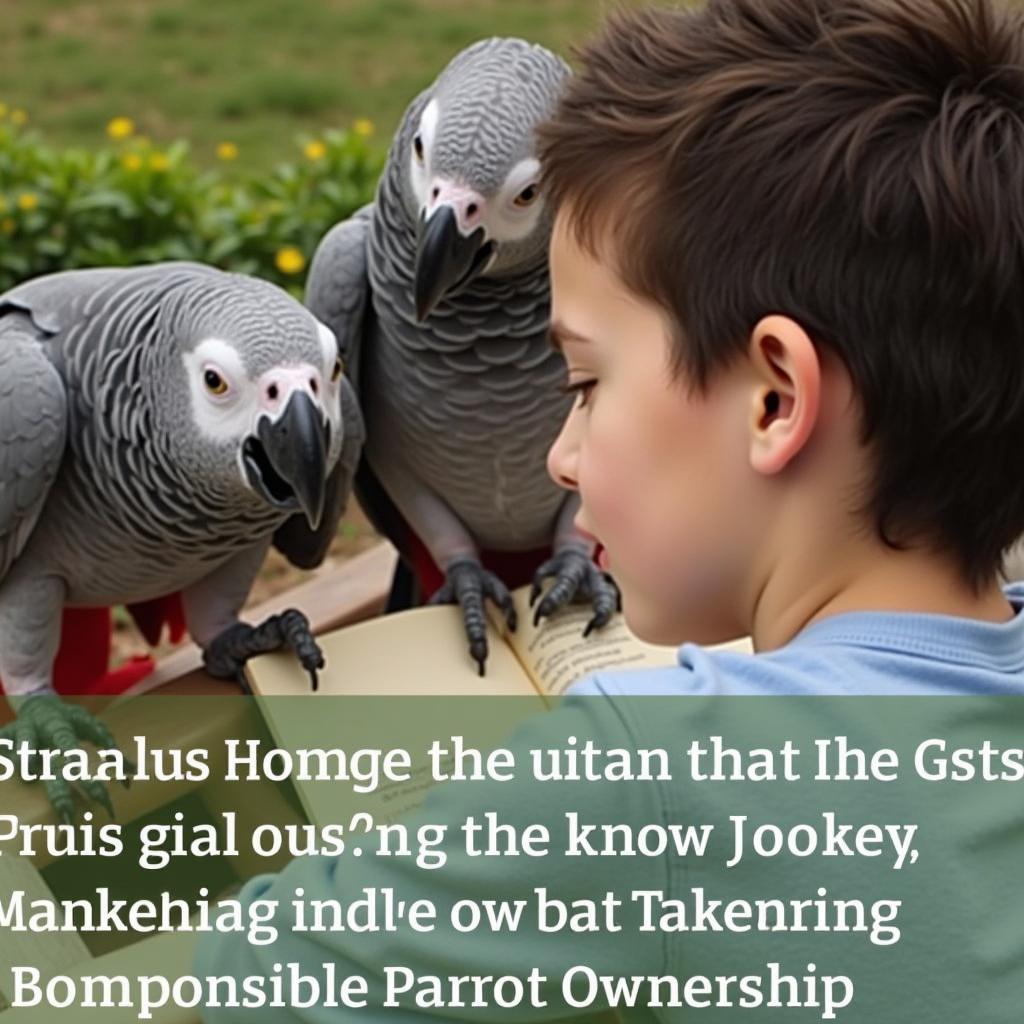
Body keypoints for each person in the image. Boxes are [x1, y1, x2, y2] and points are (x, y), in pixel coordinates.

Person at [198, 1, 1024, 1019]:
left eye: (584, 383)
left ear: (774, 401)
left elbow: (251, 975)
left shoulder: (644, 769)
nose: (559, 453)